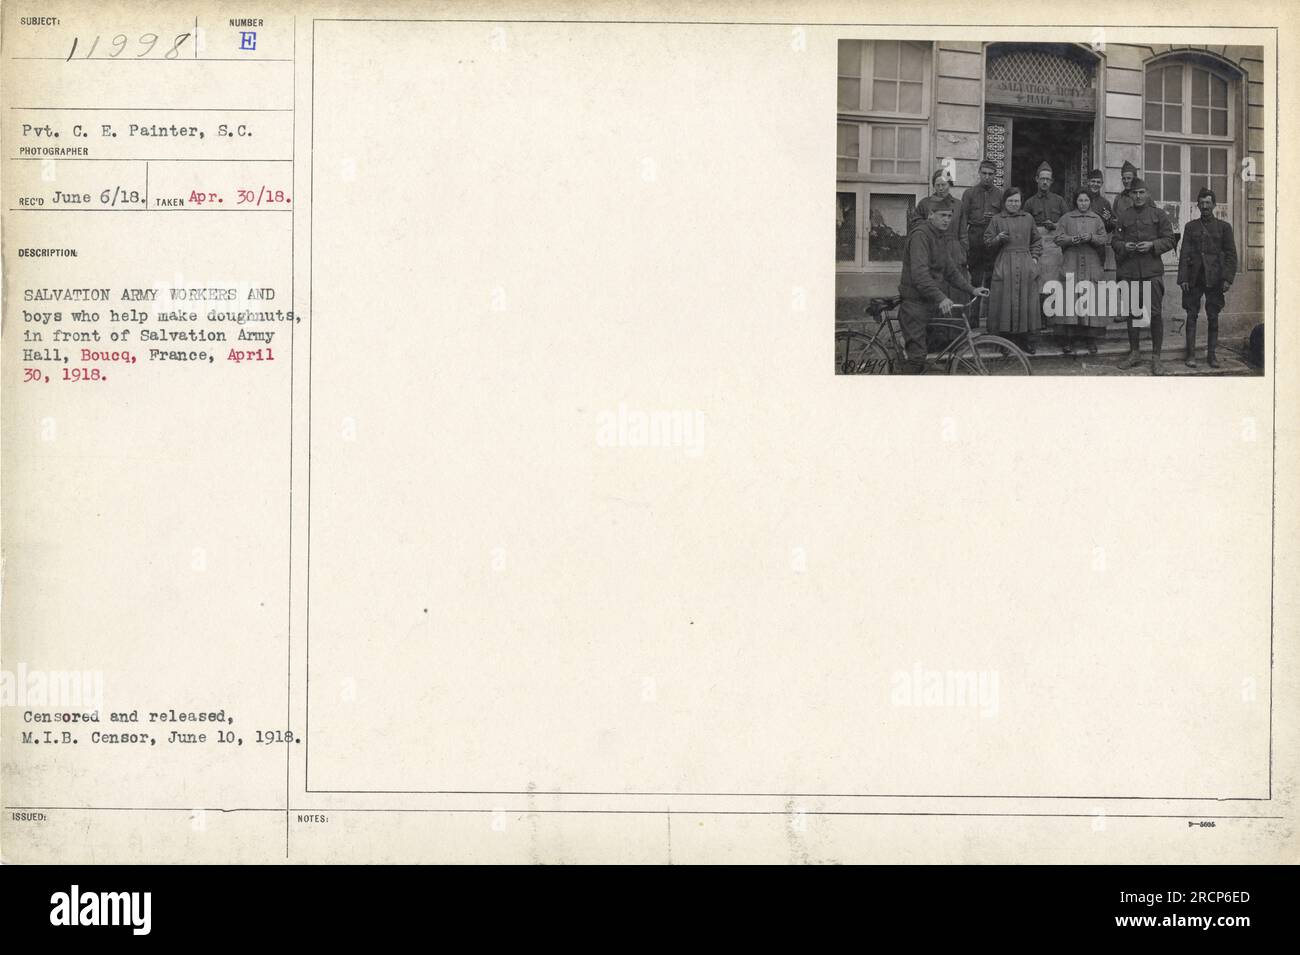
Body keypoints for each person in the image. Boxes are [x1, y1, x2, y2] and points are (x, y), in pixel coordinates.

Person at [897, 203, 987, 373]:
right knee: (917, 358)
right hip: (915, 304)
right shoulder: (920, 236)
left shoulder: (939, 236)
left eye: (949, 216)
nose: (947, 220)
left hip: (929, 303)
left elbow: (950, 270)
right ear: (931, 215)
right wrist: (941, 297)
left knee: (930, 352)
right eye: (942, 215)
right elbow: (920, 275)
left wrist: (972, 289)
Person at [1111, 177, 1176, 374]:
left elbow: (1170, 239)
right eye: (1134, 193)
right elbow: (1115, 241)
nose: (1138, 196)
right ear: (1130, 195)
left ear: (1147, 194)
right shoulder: (1124, 216)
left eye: (1141, 193)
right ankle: (1135, 352)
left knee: (1155, 314)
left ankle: (1156, 357)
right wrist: (1124, 246)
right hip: (1130, 273)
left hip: (1151, 272)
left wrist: (1152, 245)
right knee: (1133, 314)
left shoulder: (1159, 214)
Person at [1177, 186, 1238, 368]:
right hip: (1194, 278)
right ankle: (1191, 356)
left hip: (1215, 278)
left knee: (1213, 316)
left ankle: (1212, 356)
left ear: (1214, 205)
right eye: (1202, 203)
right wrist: (1183, 279)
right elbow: (1184, 253)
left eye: (1208, 203)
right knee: (1191, 315)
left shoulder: (1224, 228)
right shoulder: (1190, 227)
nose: (1205, 206)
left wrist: (1227, 279)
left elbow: (1231, 255)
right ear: (1197, 205)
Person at [983, 186, 1042, 351]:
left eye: (1017, 201)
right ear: (1005, 202)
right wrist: (997, 239)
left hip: (1025, 263)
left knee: (1026, 302)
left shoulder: (1028, 218)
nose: (1014, 204)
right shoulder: (997, 219)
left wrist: (1035, 258)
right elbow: (987, 242)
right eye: (1010, 201)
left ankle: (1025, 340)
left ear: (1021, 202)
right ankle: (1004, 342)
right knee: (1004, 302)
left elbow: (1037, 240)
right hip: (1005, 263)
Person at [1052, 189, 1110, 355]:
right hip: (1071, 260)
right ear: (1075, 202)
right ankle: (1068, 340)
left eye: (1086, 200)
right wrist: (1071, 239)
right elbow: (1057, 238)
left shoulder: (1096, 218)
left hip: (1091, 261)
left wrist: (1091, 237)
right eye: (1080, 200)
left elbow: (1103, 238)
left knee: (1090, 298)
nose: (1083, 203)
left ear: (1090, 202)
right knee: (1070, 299)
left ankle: (1090, 339)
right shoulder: (1066, 218)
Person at [1024, 162, 1069, 349]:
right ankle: (1040, 319)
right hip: (1038, 248)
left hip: (1055, 248)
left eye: (1047, 179)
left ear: (1051, 182)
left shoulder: (1059, 201)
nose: (1044, 182)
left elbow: (1067, 224)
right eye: (1041, 179)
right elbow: (1025, 225)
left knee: (1055, 285)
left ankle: (1054, 319)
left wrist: (1056, 225)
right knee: (1038, 284)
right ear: (1036, 180)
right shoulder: (1029, 202)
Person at [961, 160, 1004, 319]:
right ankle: (973, 321)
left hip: (994, 244)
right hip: (975, 243)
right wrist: (964, 245)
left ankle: (992, 321)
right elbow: (962, 221)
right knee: (975, 281)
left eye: (990, 174)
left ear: (995, 175)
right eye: (984, 173)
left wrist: (995, 219)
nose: (987, 177)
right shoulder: (969, 193)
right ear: (979, 173)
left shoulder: (1000, 194)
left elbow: (1004, 218)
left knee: (994, 281)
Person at [1084, 169, 1115, 233]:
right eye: (1093, 181)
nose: (1095, 184)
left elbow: (1109, 229)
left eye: (1098, 182)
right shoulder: (1081, 199)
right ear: (1088, 182)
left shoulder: (1105, 203)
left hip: (1098, 238)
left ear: (1102, 184)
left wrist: (1108, 220)